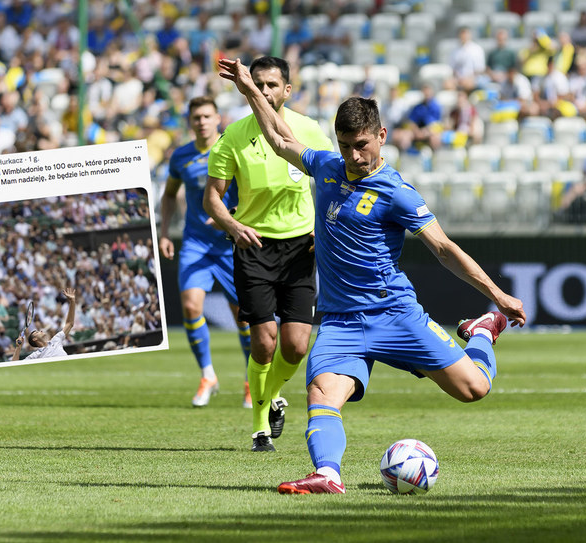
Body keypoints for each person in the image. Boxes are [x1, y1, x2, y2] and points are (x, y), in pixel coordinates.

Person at [216, 57, 526, 494]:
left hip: (393, 314)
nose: (353, 155)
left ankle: (480, 331)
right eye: (344, 145)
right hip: (340, 322)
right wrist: (249, 88)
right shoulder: (326, 167)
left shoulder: (396, 191)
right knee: (322, 397)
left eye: (361, 144)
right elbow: (278, 136)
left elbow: (444, 249)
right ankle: (327, 474)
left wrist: (498, 296)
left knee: (474, 389)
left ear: (381, 136)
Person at [203, 56, 333, 452]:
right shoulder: (233, 137)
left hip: (300, 247)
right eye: (257, 84)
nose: (264, 91)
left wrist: (322, 228)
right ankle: (260, 426)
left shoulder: (309, 131)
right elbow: (212, 197)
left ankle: (272, 393)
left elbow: (332, 183)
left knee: (296, 346)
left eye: (272, 85)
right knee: (264, 342)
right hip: (254, 246)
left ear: (287, 90)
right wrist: (233, 225)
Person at [160, 96, 253, 408]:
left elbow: (251, 189)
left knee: (242, 317)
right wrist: (163, 232)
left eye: (206, 116)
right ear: (190, 121)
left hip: (229, 243)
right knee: (190, 306)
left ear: (218, 119)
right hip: (195, 243)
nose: (201, 121)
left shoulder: (232, 148)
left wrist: (231, 216)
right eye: (196, 116)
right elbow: (170, 194)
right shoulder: (181, 156)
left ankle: (251, 380)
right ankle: (207, 375)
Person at [12, 287, 76, 361]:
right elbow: (14, 365)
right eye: (36, 332)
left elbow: (70, 323)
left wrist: (72, 301)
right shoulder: (35, 356)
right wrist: (18, 348)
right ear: (35, 339)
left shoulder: (56, 340)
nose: (41, 331)